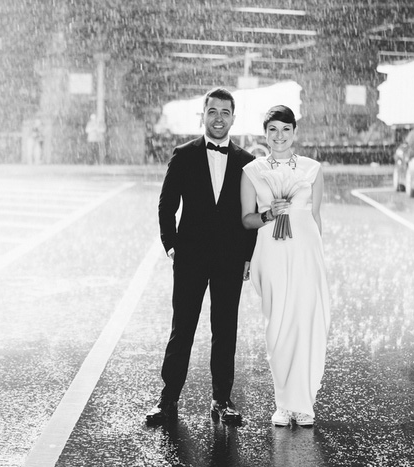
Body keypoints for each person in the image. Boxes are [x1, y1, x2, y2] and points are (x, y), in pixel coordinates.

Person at [146, 87, 256, 425]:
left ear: (233, 118)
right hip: (190, 257)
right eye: (213, 111)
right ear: (203, 116)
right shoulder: (184, 154)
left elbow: (250, 214)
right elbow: (167, 204)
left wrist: (248, 256)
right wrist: (172, 244)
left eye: (225, 112)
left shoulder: (246, 163)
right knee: (183, 329)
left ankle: (222, 400)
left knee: (225, 330)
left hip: (229, 258)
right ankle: (168, 400)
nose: (219, 118)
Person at [239, 105, 330, 427]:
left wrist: (320, 258)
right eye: (273, 130)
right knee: (277, 325)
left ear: (295, 132)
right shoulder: (252, 170)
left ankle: (303, 403)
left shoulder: (313, 168)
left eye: (285, 129)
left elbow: (315, 216)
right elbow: (247, 220)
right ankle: (282, 403)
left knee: (305, 323)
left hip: (306, 252)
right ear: (265, 133)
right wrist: (269, 215)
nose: (279, 136)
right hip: (271, 253)